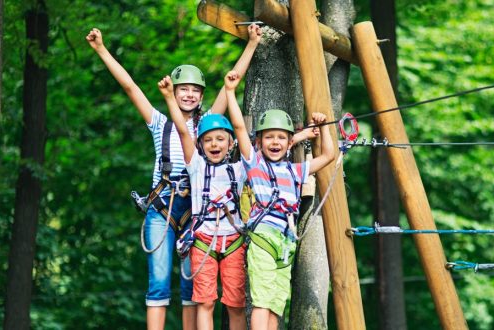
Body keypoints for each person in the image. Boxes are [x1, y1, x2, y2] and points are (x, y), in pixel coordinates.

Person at [85, 24, 262, 330]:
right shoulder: (160, 124)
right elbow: (131, 88)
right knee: (158, 281)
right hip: (162, 208)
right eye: (184, 90)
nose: (190, 95)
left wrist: (252, 45)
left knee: (193, 287)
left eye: (195, 91)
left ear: (201, 96)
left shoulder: (208, 127)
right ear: (174, 92)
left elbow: (229, 85)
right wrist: (101, 49)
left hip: (198, 210)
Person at [224, 70, 335, 330]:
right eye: (269, 137)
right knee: (262, 300)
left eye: (281, 137)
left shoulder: (296, 171)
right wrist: (230, 92)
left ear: (289, 143)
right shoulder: (254, 165)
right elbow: (240, 127)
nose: (275, 142)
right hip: (263, 238)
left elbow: (328, 155)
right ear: (259, 142)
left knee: (276, 303)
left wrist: (323, 126)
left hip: (286, 243)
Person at [159, 75, 247, 330]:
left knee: (235, 304)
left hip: (233, 241)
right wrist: (168, 97)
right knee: (205, 302)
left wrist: (230, 92)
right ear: (200, 146)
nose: (214, 144)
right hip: (203, 240)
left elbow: (242, 131)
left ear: (231, 144)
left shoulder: (240, 169)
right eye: (208, 140)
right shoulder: (196, 166)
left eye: (220, 139)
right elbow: (183, 131)